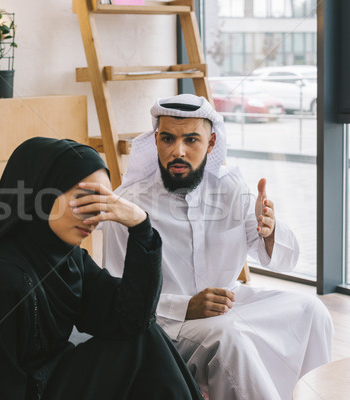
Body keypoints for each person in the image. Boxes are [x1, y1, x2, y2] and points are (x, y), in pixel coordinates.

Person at [0, 137, 203, 400]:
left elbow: (133, 319)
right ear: (39, 194)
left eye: (101, 204)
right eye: (85, 200)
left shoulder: (67, 258)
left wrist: (141, 226)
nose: (94, 217)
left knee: (143, 337)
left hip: (55, 381)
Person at [102, 94, 334, 400]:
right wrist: (187, 308)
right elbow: (119, 299)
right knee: (228, 337)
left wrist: (270, 231)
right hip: (166, 324)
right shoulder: (129, 205)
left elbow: (284, 260)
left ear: (211, 144)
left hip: (229, 304)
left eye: (191, 140)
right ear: (156, 140)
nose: (178, 151)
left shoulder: (231, 188)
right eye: (168, 139)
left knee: (312, 310)